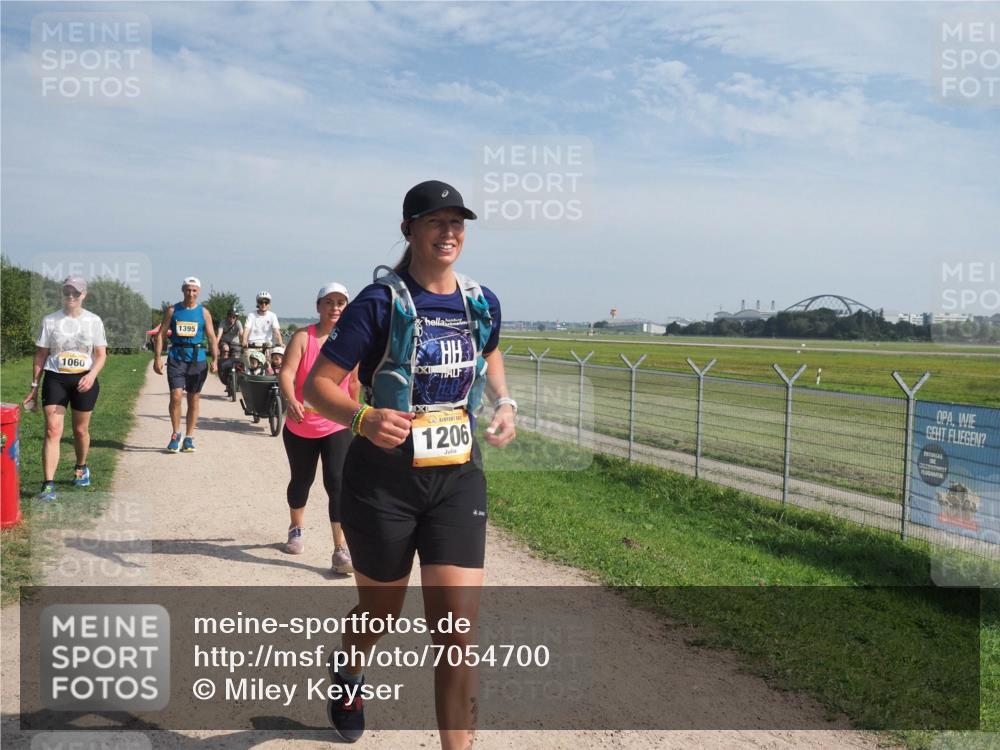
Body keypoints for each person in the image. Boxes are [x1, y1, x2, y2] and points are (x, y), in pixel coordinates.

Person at [304, 180, 517, 748]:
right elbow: (318, 384)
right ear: (410, 230)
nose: (449, 233)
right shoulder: (380, 303)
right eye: (435, 222)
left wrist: (505, 401)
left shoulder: (480, 300)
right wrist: (361, 418)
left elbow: (490, 349)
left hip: (456, 479)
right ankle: (349, 672)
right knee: (381, 614)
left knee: (456, 633)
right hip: (384, 485)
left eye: (457, 223)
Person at [278, 283, 359, 572]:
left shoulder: (351, 341)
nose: (335, 307)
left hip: (336, 425)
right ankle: (296, 527)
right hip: (301, 424)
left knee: (337, 484)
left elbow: (353, 383)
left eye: (340, 302)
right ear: (318, 306)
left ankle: (340, 549)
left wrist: (356, 415)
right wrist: (291, 399)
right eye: (329, 302)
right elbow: (286, 372)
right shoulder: (303, 337)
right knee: (302, 481)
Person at [23, 276, 108, 501]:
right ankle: (48, 484)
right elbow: (41, 354)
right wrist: (34, 385)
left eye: (76, 292)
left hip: (84, 380)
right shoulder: (50, 320)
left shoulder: (94, 321)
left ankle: (81, 467)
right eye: (67, 292)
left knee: (80, 431)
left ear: (84, 295)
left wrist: (91, 375)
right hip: (56, 379)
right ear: (62, 293)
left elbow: (101, 355)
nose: (71, 296)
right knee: (52, 430)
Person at [153, 277, 219, 453]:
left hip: (197, 359)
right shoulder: (173, 310)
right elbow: (160, 335)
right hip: (176, 357)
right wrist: (157, 357)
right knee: (176, 396)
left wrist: (215, 359)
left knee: (193, 398)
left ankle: (189, 437)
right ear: (183, 290)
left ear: (199, 292)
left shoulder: (204, 313)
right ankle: (176, 434)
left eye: (194, 290)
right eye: (188, 289)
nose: (191, 293)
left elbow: (212, 337)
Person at [241, 291, 283, 363]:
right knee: (248, 360)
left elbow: (276, 332)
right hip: (253, 345)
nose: (263, 304)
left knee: (275, 360)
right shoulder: (251, 315)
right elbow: (246, 329)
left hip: (267, 346)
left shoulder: (272, 316)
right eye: (261, 302)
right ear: (258, 303)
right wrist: (244, 341)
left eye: (266, 302)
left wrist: (280, 343)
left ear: (269, 304)